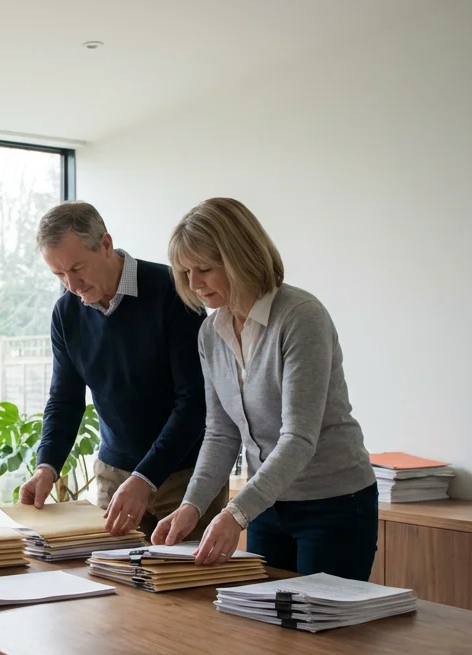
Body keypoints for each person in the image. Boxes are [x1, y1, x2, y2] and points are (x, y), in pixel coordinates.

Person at [151, 198, 377, 579]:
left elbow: (298, 438)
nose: (193, 284)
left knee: (323, 636)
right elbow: (221, 433)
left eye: (204, 268)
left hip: (334, 504)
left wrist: (236, 513)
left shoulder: (301, 316)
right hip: (266, 507)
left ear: (239, 257)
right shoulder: (211, 332)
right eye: (185, 271)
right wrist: (192, 505)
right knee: (265, 634)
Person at [19, 201, 228, 536]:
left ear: (105, 244)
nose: (72, 285)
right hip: (113, 476)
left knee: (185, 586)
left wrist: (145, 477)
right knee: (109, 583)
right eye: (59, 274)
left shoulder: (173, 291)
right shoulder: (66, 314)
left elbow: (194, 402)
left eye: (77, 268)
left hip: (185, 478)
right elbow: (64, 400)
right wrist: (48, 465)